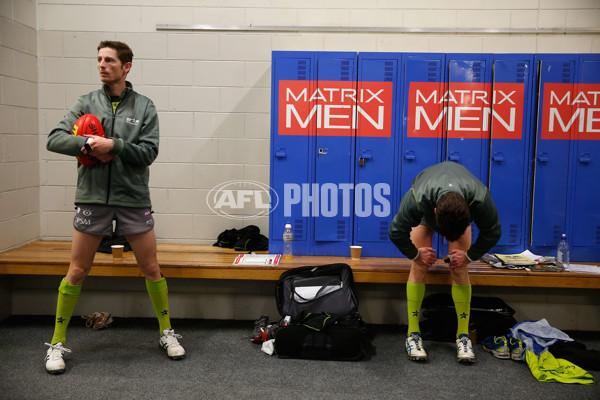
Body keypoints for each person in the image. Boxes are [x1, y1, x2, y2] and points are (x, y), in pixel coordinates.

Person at [44, 41, 185, 374]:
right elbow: (54, 138)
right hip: (92, 198)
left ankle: (167, 333)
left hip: (133, 199)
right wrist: (89, 145)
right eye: (98, 60)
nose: (102, 65)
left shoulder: (145, 106)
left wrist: (116, 145)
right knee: (77, 271)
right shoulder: (85, 103)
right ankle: (56, 343)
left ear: (127, 66)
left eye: (109, 60)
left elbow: (148, 152)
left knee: (151, 267)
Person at [388, 161, 501, 364]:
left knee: (459, 267)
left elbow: (493, 232)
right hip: (426, 211)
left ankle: (463, 336)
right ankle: (413, 335)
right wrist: (415, 254)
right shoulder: (418, 198)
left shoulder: (479, 198)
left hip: (457, 212)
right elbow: (396, 231)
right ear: (435, 211)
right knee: (420, 265)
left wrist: (469, 256)